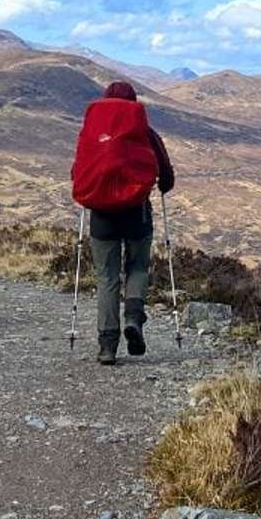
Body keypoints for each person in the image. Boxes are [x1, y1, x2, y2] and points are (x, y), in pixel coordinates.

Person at [85, 81, 174, 365]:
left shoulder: (92, 132)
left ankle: (107, 346)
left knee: (107, 278)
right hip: (137, 214)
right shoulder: (145, 133)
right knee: (137, 267)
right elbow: (167, 178)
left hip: (102, 217)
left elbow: (79, 171)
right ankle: (133, 319)